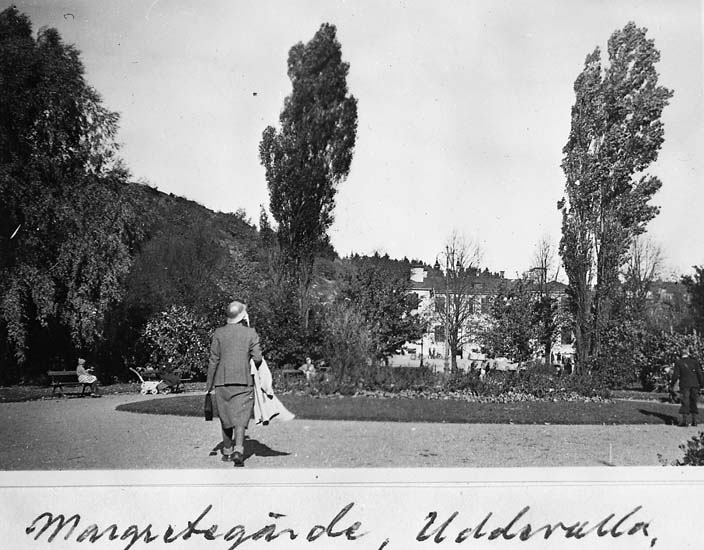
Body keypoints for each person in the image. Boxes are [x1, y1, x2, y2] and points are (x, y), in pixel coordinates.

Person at [206, 301, 262, 467]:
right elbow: (258, 358)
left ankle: (227, 451)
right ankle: (239, 450)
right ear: (242, 315)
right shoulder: (250, 332)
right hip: (243, 380)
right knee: (240, 417)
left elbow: (213, 360)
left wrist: (209, 385)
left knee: (225, 416)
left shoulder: (219, 333)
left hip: (222, 381)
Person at [670, 347, 704, 427]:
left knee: (685, 401)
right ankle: (694, 421)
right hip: (695, 384)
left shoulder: (679, 362)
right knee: (693, 401)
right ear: (688, 353)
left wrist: (672, 384)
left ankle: (684, 421)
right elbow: (700, 374)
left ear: (680, 353)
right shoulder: (695, 362)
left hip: (685, 384)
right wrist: (702, 384)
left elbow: (675, 375)